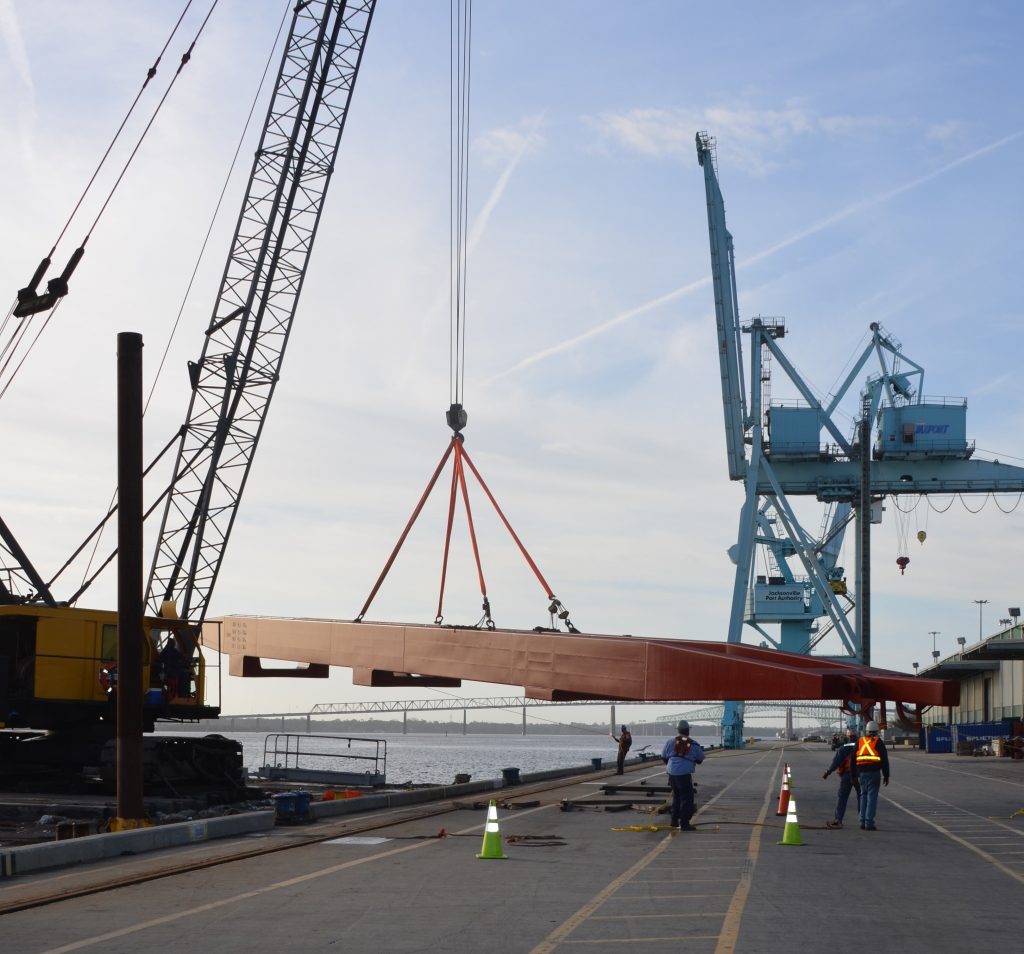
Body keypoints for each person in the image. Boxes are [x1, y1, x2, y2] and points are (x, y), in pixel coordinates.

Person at [661, 720, 705, 830]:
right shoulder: (694, 744)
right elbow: (700, 759)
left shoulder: (670, 741)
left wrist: (672, 767)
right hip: (684, 774)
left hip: (671, 773)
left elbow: (663, 756)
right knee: (687, 798)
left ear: (678, 730)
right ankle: (685, 823)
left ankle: (674, 821)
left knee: (676, 797)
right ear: (688, 730)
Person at [849, 720, 890, 830]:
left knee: (863, 796)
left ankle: (862, 821)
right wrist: (886, 775)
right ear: (877, 731)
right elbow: (884, 761)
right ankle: (869, 822)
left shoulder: (860, 741)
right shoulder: (879, 742)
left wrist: (853, 776)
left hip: (861, 773)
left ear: (866, 731)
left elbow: (852, 760)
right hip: (874, 773)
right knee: (872, 797)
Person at [822, 728, 859, 828]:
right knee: (861, 797)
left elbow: (836, 762)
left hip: (847, 774)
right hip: (859, 775)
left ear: (847, 737)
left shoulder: (844, 747)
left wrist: (828, 772)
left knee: (842, 797)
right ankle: (863, 821)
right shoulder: (861, 746)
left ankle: (838, 820)